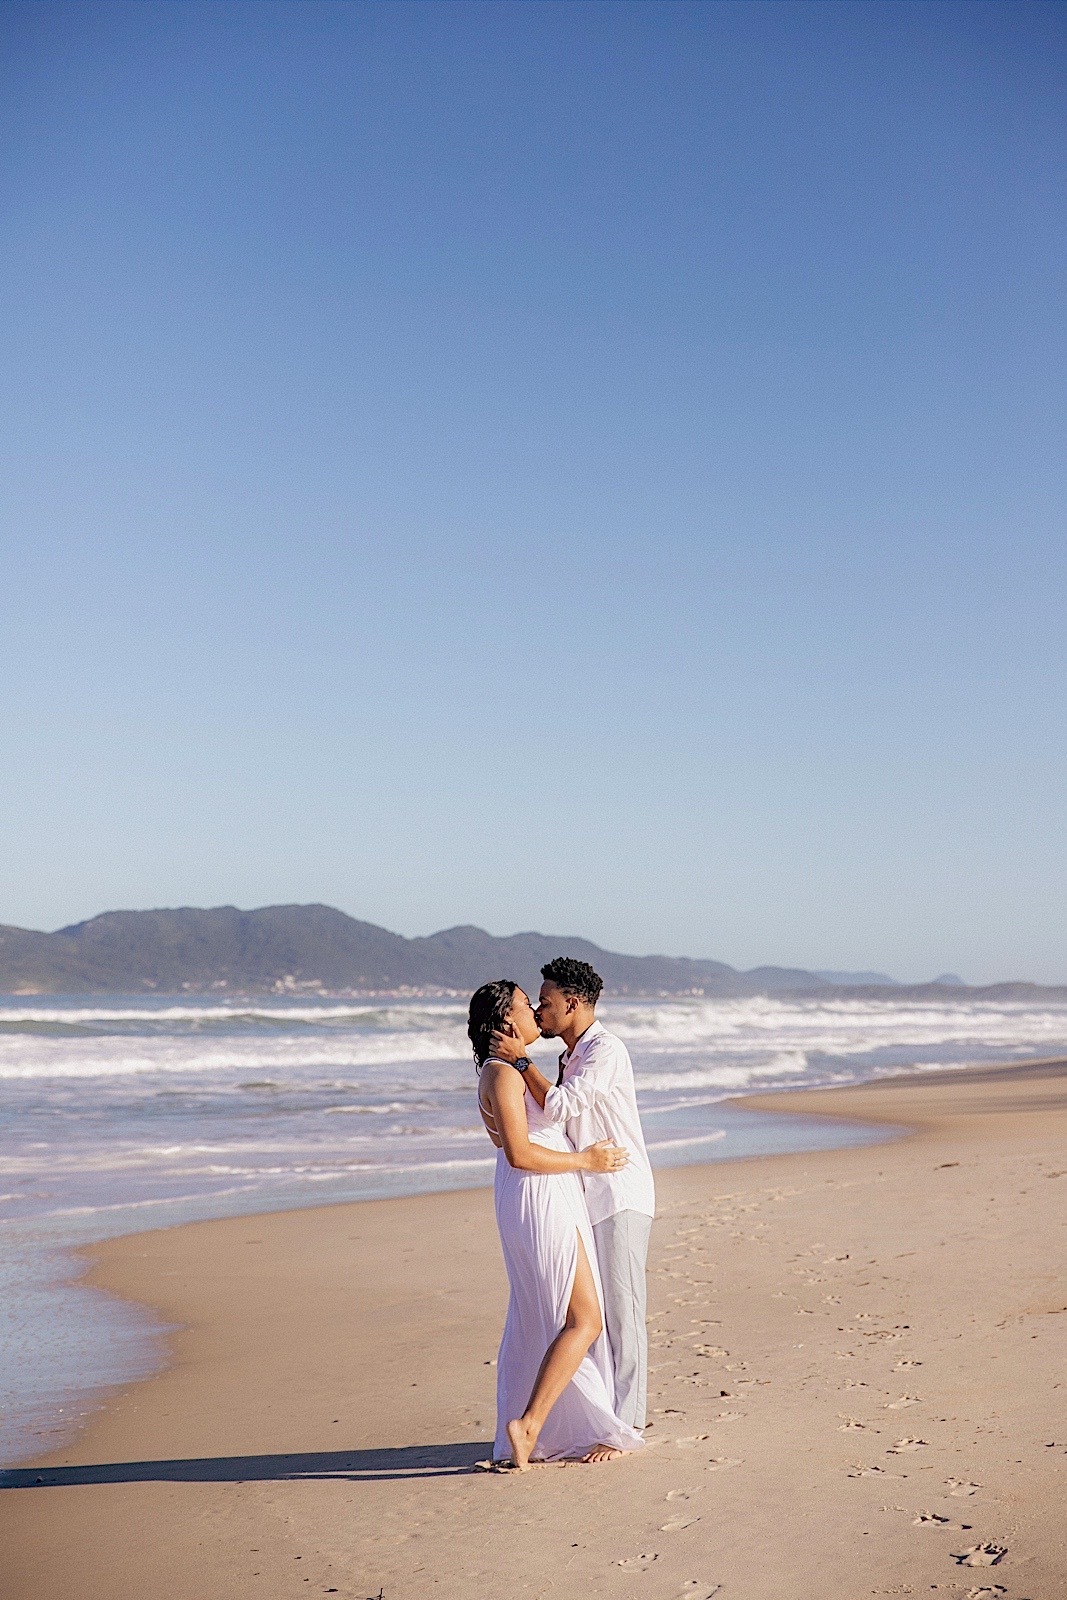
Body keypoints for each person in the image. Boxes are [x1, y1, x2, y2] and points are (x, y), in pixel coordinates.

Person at [469, 979, 643, 1470]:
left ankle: (546, 1426)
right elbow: (520, 1153)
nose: (535, 1013)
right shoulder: (503, 1074)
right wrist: (586, 1161)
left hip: (537, 1195)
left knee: (541, 1317)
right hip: (542, 1197)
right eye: (527, 1006)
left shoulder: (506, 1072)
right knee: (586, 1318)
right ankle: (528, 1425)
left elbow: (509, 1146)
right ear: (507, 1022)